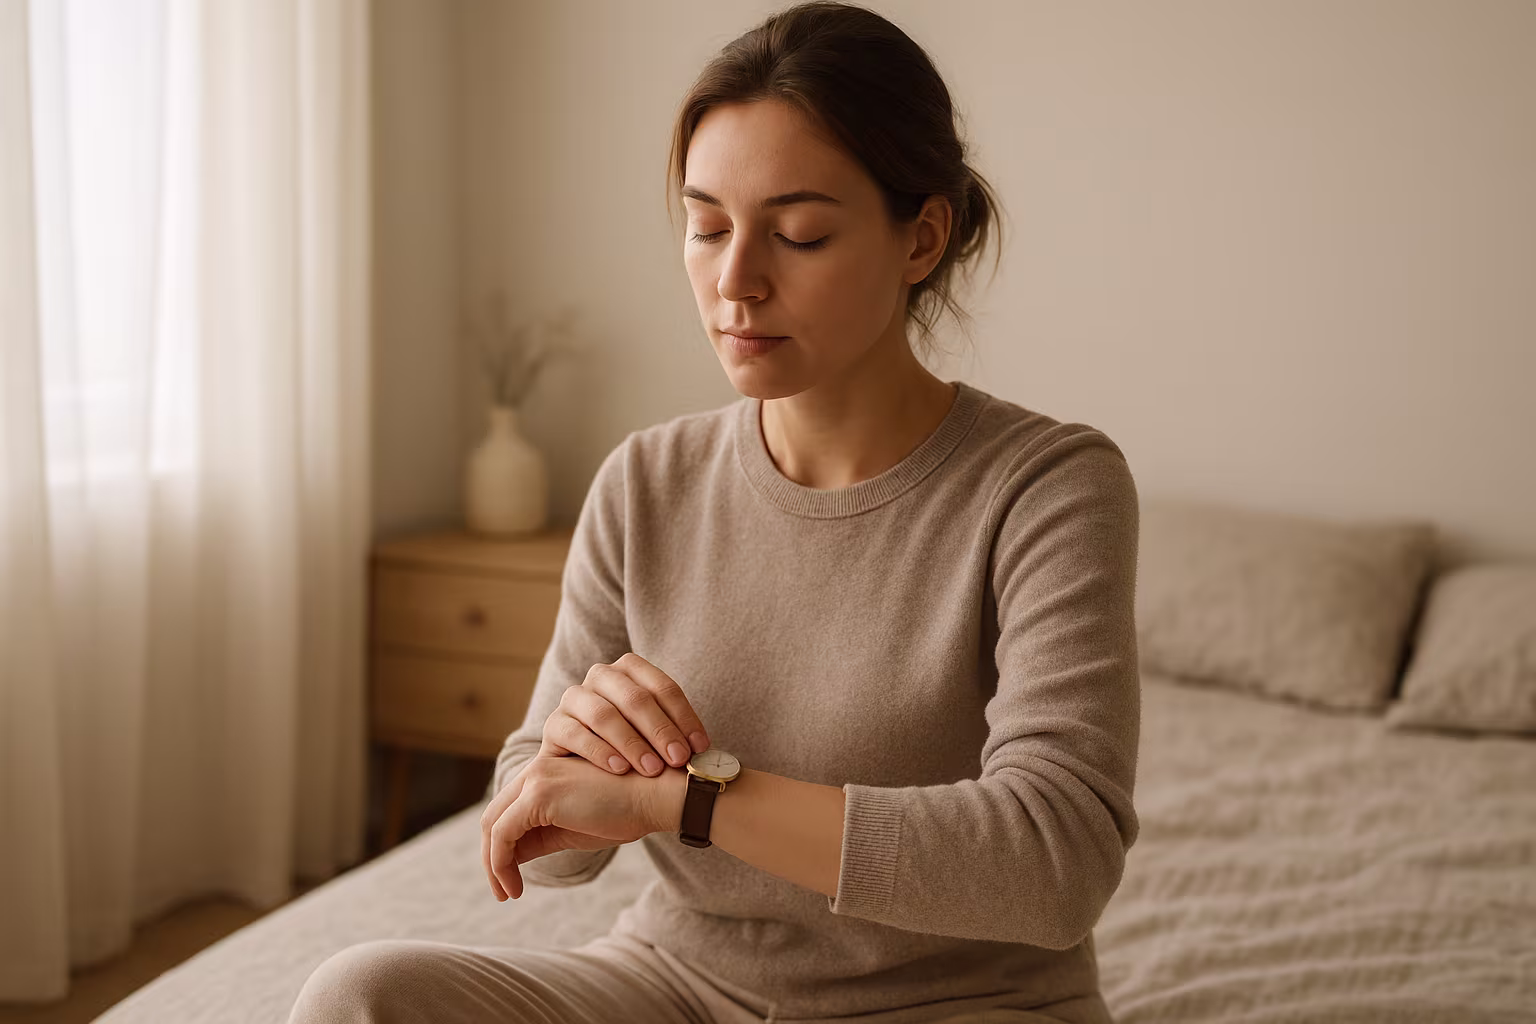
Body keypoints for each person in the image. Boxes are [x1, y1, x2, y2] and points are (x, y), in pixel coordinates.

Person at [287, 2, 1140, 1022]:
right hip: (679, 984)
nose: (735, 281)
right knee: (362, 994)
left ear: (923, 237)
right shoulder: (645, 481)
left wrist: (687, 800)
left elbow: (1057, 862)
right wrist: (572, 749)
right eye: (706, 227)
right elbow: (541, 849)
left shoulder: (1048, 486)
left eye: (798, 233)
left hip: (962, 999)